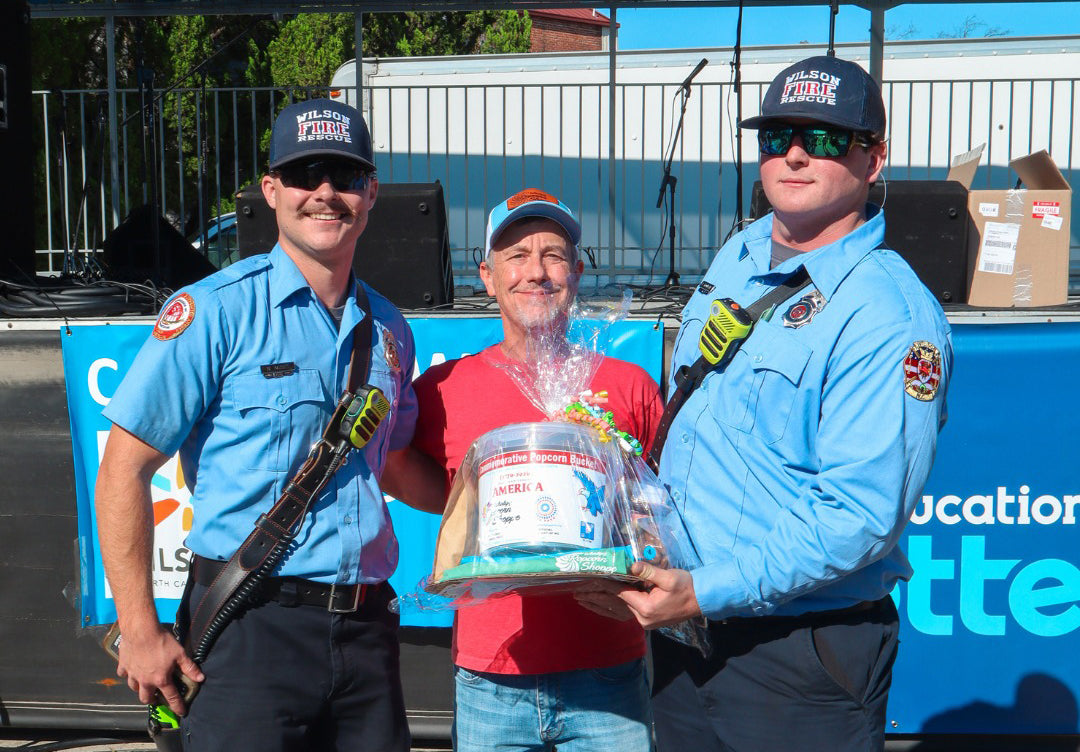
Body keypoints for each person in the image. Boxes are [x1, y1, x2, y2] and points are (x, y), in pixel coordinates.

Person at [579, 56, 953, 751]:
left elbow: (858, 515)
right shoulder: (741, 252)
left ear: (874, 159)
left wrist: (702, 591)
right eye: (776, 134)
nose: (794, 153)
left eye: (826, 137)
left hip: (796, 659)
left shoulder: (888, 313)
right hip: (686, 637)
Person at [95, 97, 441, 752]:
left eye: (343, 177)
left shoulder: (391, 329)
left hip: (366, 636)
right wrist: (138, 629)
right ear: (272, 189)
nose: (325, 194)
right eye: (306, 174)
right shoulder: (213, 311)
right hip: (250, 629)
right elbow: (122, 469)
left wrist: (495, 494)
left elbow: (394, 464)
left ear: (370, 193)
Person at [406, 189, 664, 752]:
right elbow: (400, 471)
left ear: (576, 272)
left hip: (608, 672)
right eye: (516, 256)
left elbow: (660, 508)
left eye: (552, 255)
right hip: (490, 675)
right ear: (488, 276)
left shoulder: (628, 385)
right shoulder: (444, 389)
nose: (536, 272)